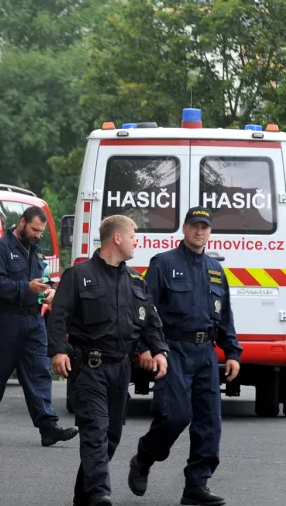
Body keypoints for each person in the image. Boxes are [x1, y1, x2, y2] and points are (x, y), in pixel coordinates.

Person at [47, 215, 170, 506]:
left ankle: (85, 493)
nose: (136, 241)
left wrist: (159, 350)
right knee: (95, 430)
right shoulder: (78, 275)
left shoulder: (136, 281)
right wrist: (57, 350)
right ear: (117, 238)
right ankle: (101, 492)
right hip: (90, 367)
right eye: (133, 235)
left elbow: (151, 323)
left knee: (111, 435)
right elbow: (58, 316)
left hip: (122, 368)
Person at [128, 207, 243, 506]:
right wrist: (146, 348)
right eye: (195, 226)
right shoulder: (163, 263)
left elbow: (225, 316)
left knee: (209, 423)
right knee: (175, 416)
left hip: (206, 353)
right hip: (172, 350)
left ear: (210, 231)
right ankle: (144, 457)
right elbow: (144, 310)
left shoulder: (216, 270)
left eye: (205, 227)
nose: (200, 231)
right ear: (184, 228)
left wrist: (232, 352)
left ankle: (196, 485)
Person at [0, 206, 78, 446]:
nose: (38, 235)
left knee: (39, 372)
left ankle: (48, 427)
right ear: (21, 222)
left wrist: (50, 290)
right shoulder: (0, 249)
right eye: (34, 229)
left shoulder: (36, 251)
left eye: (40, 231)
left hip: (33, 320)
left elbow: (45, 278)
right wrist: (24, 288)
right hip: (6, 319)